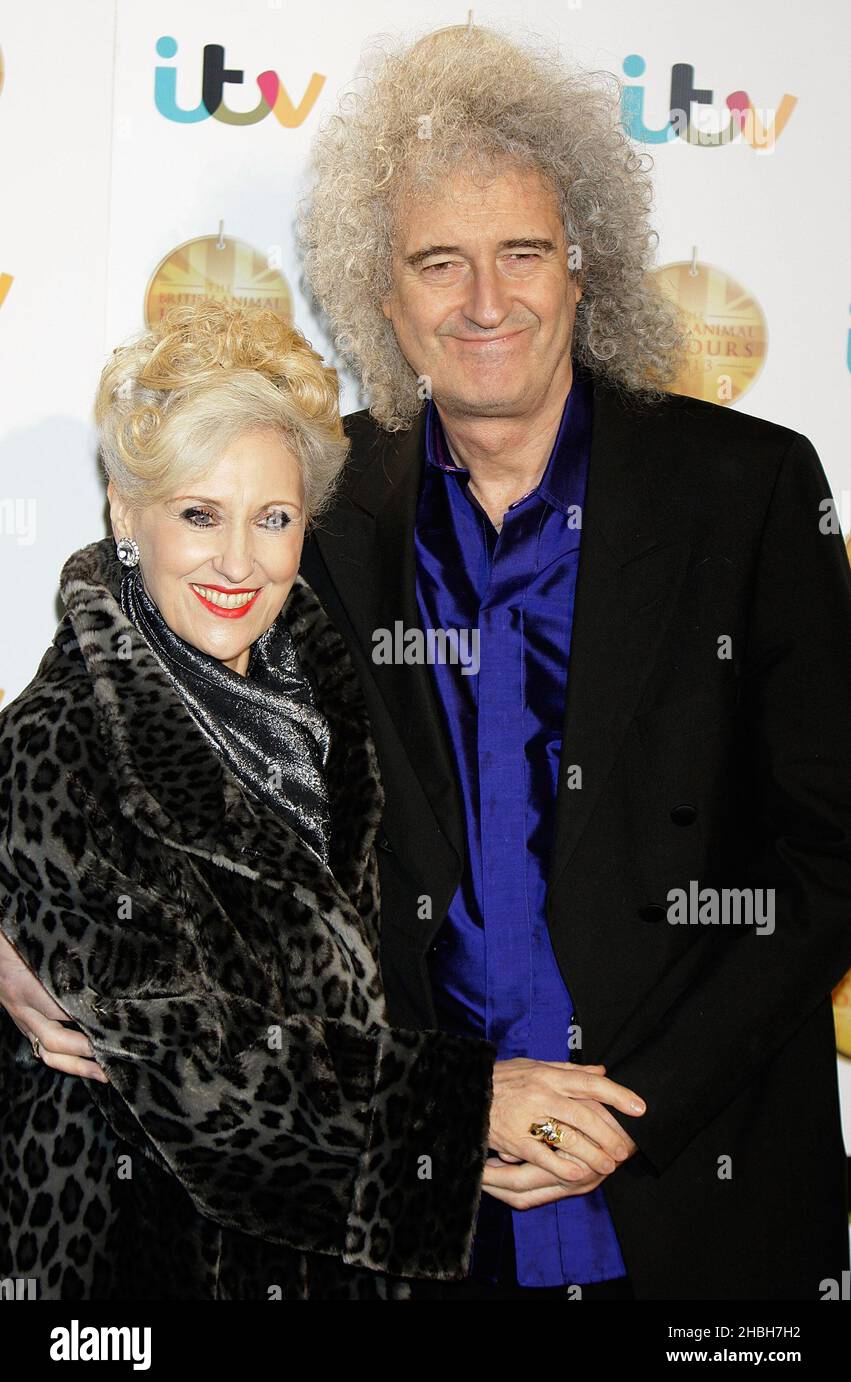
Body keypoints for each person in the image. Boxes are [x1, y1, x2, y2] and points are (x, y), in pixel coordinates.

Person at [290, 25, 851, 1299]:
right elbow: (161, 692)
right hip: (416, 1208)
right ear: (381, 294)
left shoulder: (746, 490)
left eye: (521, 253)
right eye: (439, 262)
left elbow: (830, 847)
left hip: (696, 1205)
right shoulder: (314, 510)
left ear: (580, 263)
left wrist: (623, 1110)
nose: (485, 302)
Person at [0, 299, 646, 1300]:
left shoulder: (328, 695)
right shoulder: (62, 742)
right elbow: (187, 1067)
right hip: (132, 1258)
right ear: (127, 514)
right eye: (197, 513)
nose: (239, 561)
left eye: (273, 517)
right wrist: (460, 1107)